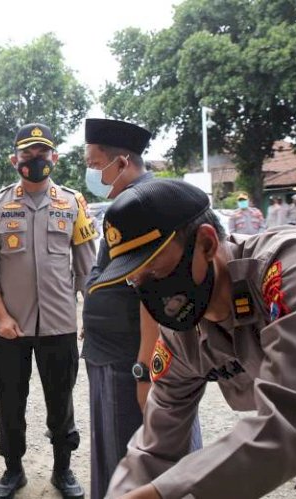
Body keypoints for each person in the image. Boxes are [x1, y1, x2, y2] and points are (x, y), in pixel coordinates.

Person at [87, 179, 296, 499]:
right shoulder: (181, 336)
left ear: (207, 244)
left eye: (153, 270)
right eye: (134, 280)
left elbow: (292, 425)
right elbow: (156, 448)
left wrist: (161, 493)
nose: (147, 292)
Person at [81, 118, 202, 499]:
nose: (90, 171)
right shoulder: (125, 204)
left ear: (121, 162)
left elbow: (156, 294)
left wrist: (145, 370)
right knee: (116, 450)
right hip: (110, 351)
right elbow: (105, 272)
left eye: (93, 162)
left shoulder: (151, 205)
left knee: (141, 456)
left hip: (133, 356)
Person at [0, 123, 97, 499]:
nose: (35, 161)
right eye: (27, 155)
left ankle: (63, 470)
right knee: (10, 401)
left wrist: (89, 318)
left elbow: (86, 267)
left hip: (60, 325)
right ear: (15, 160)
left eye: (42, 153)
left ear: (55, 158)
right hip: (11, 327)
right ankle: (13, 470)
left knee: (61, 403)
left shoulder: (72, 203)